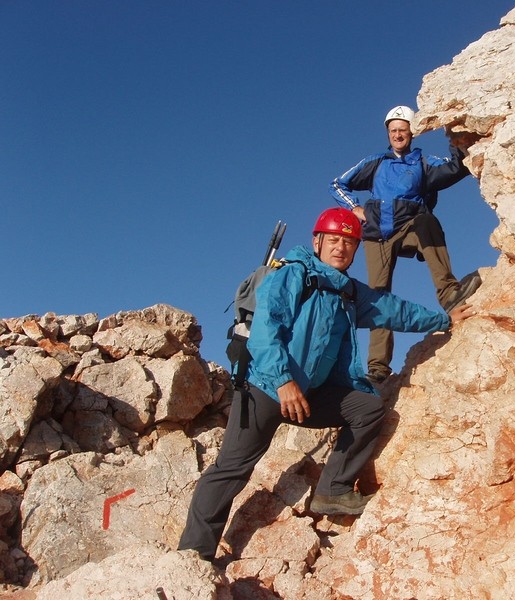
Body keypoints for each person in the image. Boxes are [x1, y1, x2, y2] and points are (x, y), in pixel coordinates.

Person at [177, 207, 475, 561]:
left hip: (308, 397)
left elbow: (394, 309)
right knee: (231, 469)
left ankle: (332, 489)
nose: (341, 248)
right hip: (264, 389)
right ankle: (193, 554)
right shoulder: (292, 275)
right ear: (317, 241)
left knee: (367, 407)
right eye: (333, 240)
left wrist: (444, 318)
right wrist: (284, 381)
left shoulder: (348, 292)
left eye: (349, 243)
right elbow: (264, 332)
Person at [330, 104, 480, 385]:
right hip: (377, 234)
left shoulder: (422, 161)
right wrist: (355, 209)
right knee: (377, 296)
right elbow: (338, 184)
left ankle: (449, 293)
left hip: (409, 227)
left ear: (412, 133)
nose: (398, 135)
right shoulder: (376, 162)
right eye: (393, 130)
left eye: (403, 130)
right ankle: (378, 367)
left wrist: (458, 140)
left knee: (428, 223)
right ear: (388, 133)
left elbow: (453, 169)